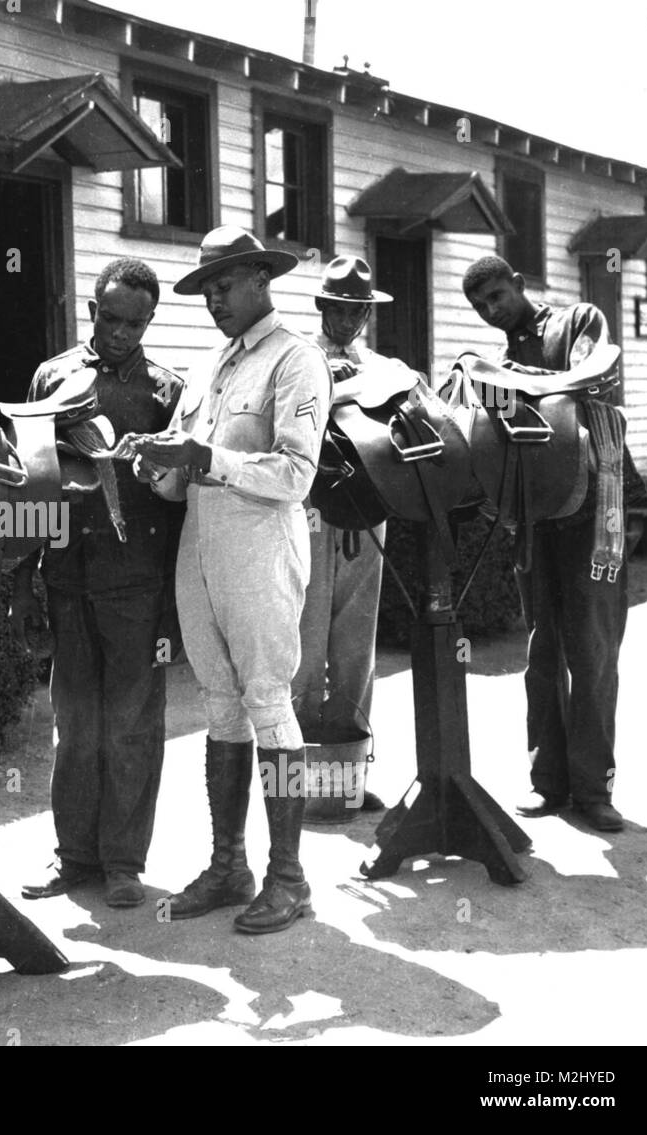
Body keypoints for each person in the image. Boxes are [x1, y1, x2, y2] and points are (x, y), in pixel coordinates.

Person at [136, 226, 329, 933]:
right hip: (201, 549)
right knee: (220, 702)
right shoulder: (211, 365)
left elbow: (296, 474)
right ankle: (229, 865)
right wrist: (156, 466)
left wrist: (206, 457)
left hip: (260, 551)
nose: (214, 298)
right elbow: (178, 478)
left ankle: (289, 876)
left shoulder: (295, 361)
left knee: (268, 701)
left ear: (260, 278)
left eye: (224, 284)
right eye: (206, 288)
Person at [11, 257, 184, 909]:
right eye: (111, 318)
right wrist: (22, 583)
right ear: (90, 309)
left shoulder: (167, 392)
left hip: (137, 583)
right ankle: (75, 856)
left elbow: (177, 504)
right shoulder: (52, 377)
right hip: (66, 576)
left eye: (136, 323)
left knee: (132, 726)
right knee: (76, 725)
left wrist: (173, 604)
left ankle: (123, 862)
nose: (121, 333)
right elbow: (31, 480)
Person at [462, 256, 643, 833]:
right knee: (542, 652)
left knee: (591, 649)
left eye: (497, 295)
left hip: (597, 505)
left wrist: (517, 382)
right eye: (482, 306)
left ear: (518, 281)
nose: (493, 310)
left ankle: (594, 789)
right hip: (535, 513)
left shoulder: (579, 320)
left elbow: (598, 370)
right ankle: (549, 782)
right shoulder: (495, 360)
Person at [292, 256, 410, 811]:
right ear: (321, 306)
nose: (348, 318)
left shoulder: (383, 366)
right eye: (338, 306)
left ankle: (348, 777)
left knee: (356, 645)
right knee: (304, 640)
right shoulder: (295, 356)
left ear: (368, 311)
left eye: (358, 308)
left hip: (367, 511)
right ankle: (296, 778)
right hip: (310, 509)